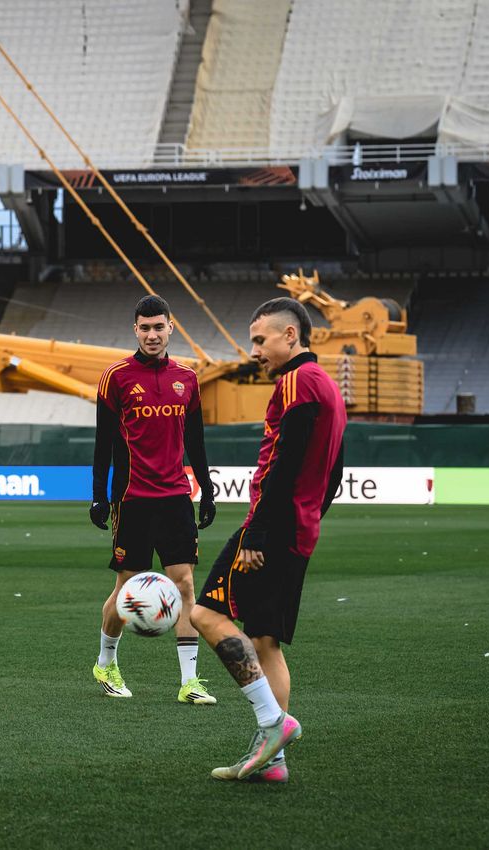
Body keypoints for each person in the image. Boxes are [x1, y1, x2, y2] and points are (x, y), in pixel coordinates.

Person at [189, 297, 346, 784]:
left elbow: (283, 462)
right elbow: (334, 471)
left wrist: (258, 530)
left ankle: (275, 726)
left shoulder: (296, 382)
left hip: (272, 527)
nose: (254, 350)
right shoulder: (328, 387)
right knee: (265, 641)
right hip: (297, 528)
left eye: (260, 340)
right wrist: (308, 517)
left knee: (204, 614)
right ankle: (272, 760)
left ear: (290, 337)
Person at [90, 294, 217, 704]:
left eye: (158, 327)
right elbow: (103, 444)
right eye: (144, 328)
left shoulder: (188, 378)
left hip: (176, 497)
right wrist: (98, 496)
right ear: (135, 330)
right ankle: (105, 662)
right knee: (127, 587)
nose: (151, 334)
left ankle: (189, 682)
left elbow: (196, 441)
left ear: (170, 327)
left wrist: (207, 491)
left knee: (184, 585)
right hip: (132, 500)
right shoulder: (117, 377)